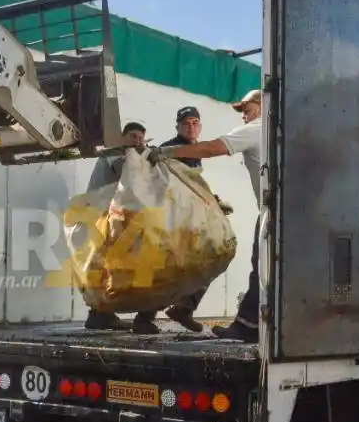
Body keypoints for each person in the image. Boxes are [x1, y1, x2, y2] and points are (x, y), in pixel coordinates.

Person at [148, 90, 262, 342]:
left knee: (218, 255)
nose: (244, 115)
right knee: (176, 261)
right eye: (186, 123)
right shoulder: (174, 148)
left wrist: (213, 204)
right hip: (175, 219)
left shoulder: (257, 129)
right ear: (178, 126)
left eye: (247, 109)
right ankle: (152, 315)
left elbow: (211, 150)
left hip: (266, 213)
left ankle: (190, 308)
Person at [82, 122, 148, 331]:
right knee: (104, 263)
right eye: (133, 136)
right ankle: (99, 314)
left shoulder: (127, 154)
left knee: (106, 264)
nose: (137, 140)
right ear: (122, 137)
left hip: (105, 214)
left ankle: (101, 314)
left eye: (141, 137)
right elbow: (123, 171)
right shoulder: (116, 152)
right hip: (97, 214)